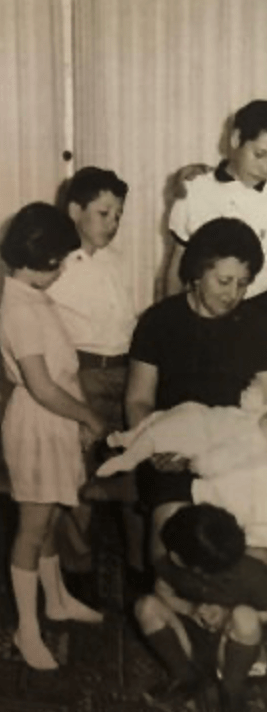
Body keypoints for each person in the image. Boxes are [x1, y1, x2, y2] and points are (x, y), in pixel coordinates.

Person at [126, 216, 267, 569]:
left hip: (237, 449)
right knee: (172, 538)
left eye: (243, 284)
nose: (232, 294)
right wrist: (155, 443)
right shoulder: (158, 322)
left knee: (256, 551)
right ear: (197, 273)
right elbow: (138, 400)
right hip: (170, 450)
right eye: (224, 281)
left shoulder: (257, 329)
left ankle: (239, 615)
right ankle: (170, 613)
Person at [0, 203, 105, 670]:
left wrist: (78, 418)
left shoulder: (35, 296)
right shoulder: (17, 305)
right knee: (32, 527)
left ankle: (57, 599)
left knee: (52, 518)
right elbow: (41, 387)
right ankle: (27, 628)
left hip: (56, 420)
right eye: (60, 260)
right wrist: (88, 415)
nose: (63, 268)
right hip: (37, 423)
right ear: (42, 260)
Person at [47, 166, 138, 579]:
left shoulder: (116, 261)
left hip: (123, 373)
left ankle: (138, 566)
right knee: (76, 476)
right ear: (74, 210)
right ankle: (75, 566)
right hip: (81, 375)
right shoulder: (55, 264)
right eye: (104, 213)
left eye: (118, 215)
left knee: (129, 467)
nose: (113, 223)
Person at [134, 502, 267, 711]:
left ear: (179, 557)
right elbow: (161, 591)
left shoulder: (251, 572)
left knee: (244, 615)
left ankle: (232, 688)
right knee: (146, 606)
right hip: (191, 635)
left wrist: (228, 615)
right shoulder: (169, 565)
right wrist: (190, 609)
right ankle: (184, 676)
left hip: (231, 643)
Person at [164, 99, 267, 318]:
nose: (265, 168)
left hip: (258, 311)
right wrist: (169, 321)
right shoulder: (195, 188)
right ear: (235, 138)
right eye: (259, 154)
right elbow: (175, 265)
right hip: (203, 309)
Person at [96, 401, 267, 478]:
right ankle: (127, 439)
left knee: (155, 436)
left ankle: (129, 459)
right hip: (197, 415)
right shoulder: (257, 420)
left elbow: (224, 458)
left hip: (196, 435)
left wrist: (200, 464)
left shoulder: (253, 443)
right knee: (156, 419)